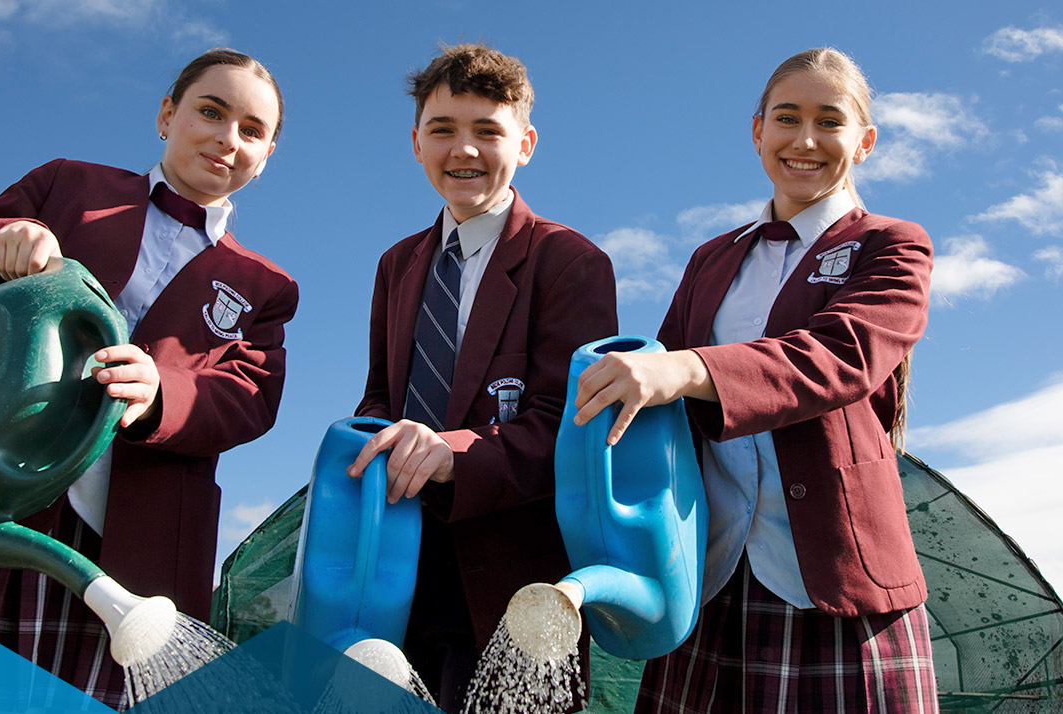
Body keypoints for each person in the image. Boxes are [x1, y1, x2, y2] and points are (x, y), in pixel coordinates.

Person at [0, 49, 298, 709]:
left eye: (251, 130)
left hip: (132, 543)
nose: (227, 138)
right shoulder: (67, 186)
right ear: (167, 116)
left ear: (268, 152)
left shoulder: (267, 286)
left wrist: (163, 390)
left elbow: (252, 397)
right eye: (211, 112)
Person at [571, 47, 936, 713]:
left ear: (866, 141)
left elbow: (840, 356)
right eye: (786, 118)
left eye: (830, 121)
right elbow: (660, 411)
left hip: (832, 577)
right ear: (756, 130)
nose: (804, 140)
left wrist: (689, 367)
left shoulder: (894, 244)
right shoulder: (711, 259)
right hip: (709, 576)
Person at [346, 42, 616, 712]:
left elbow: (569, 423)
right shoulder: (396, 264)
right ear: (415, 142)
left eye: (487, 132)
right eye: (443, 130)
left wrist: (453, 456)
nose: (463, 150)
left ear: (524, 143)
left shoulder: (570, 260)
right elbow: (382, 394)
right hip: (398, 573)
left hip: (516, 581)